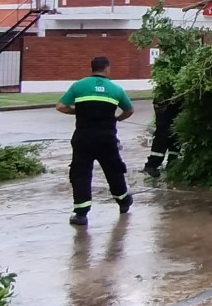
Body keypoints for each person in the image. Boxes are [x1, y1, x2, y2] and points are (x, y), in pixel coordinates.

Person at [56, 56, 136, 226]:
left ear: (92, 68)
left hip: (83, 137)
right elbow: (129, 110)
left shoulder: (79, 86)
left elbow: (60, 106)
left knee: (81, 173)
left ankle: (81, 214)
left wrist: (77, 112)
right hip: (106, 138)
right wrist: (118, 118)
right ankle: (123, 201)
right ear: (107, 68)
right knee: (113, 169)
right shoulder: (116, 89)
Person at [143, 97, 179, 178]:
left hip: (172, 107)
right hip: (165, 109)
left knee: (174, 137)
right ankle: (151, 166)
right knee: (164, 135)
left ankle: (172, 164)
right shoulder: (163, 99)